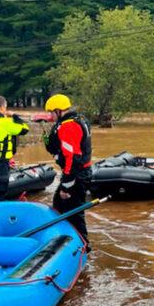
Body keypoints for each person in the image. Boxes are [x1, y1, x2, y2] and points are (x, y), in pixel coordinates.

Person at [44, 94, 92, 241]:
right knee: (58, 205)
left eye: (51, 113)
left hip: (76, 174)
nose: (51, 117)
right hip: (78, 172)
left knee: (74, 212)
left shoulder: (68, 127)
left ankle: (82, 245)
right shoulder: (79, 120)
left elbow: (73, 158)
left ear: (58, 111)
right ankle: (63, 238)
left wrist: (66, 187)